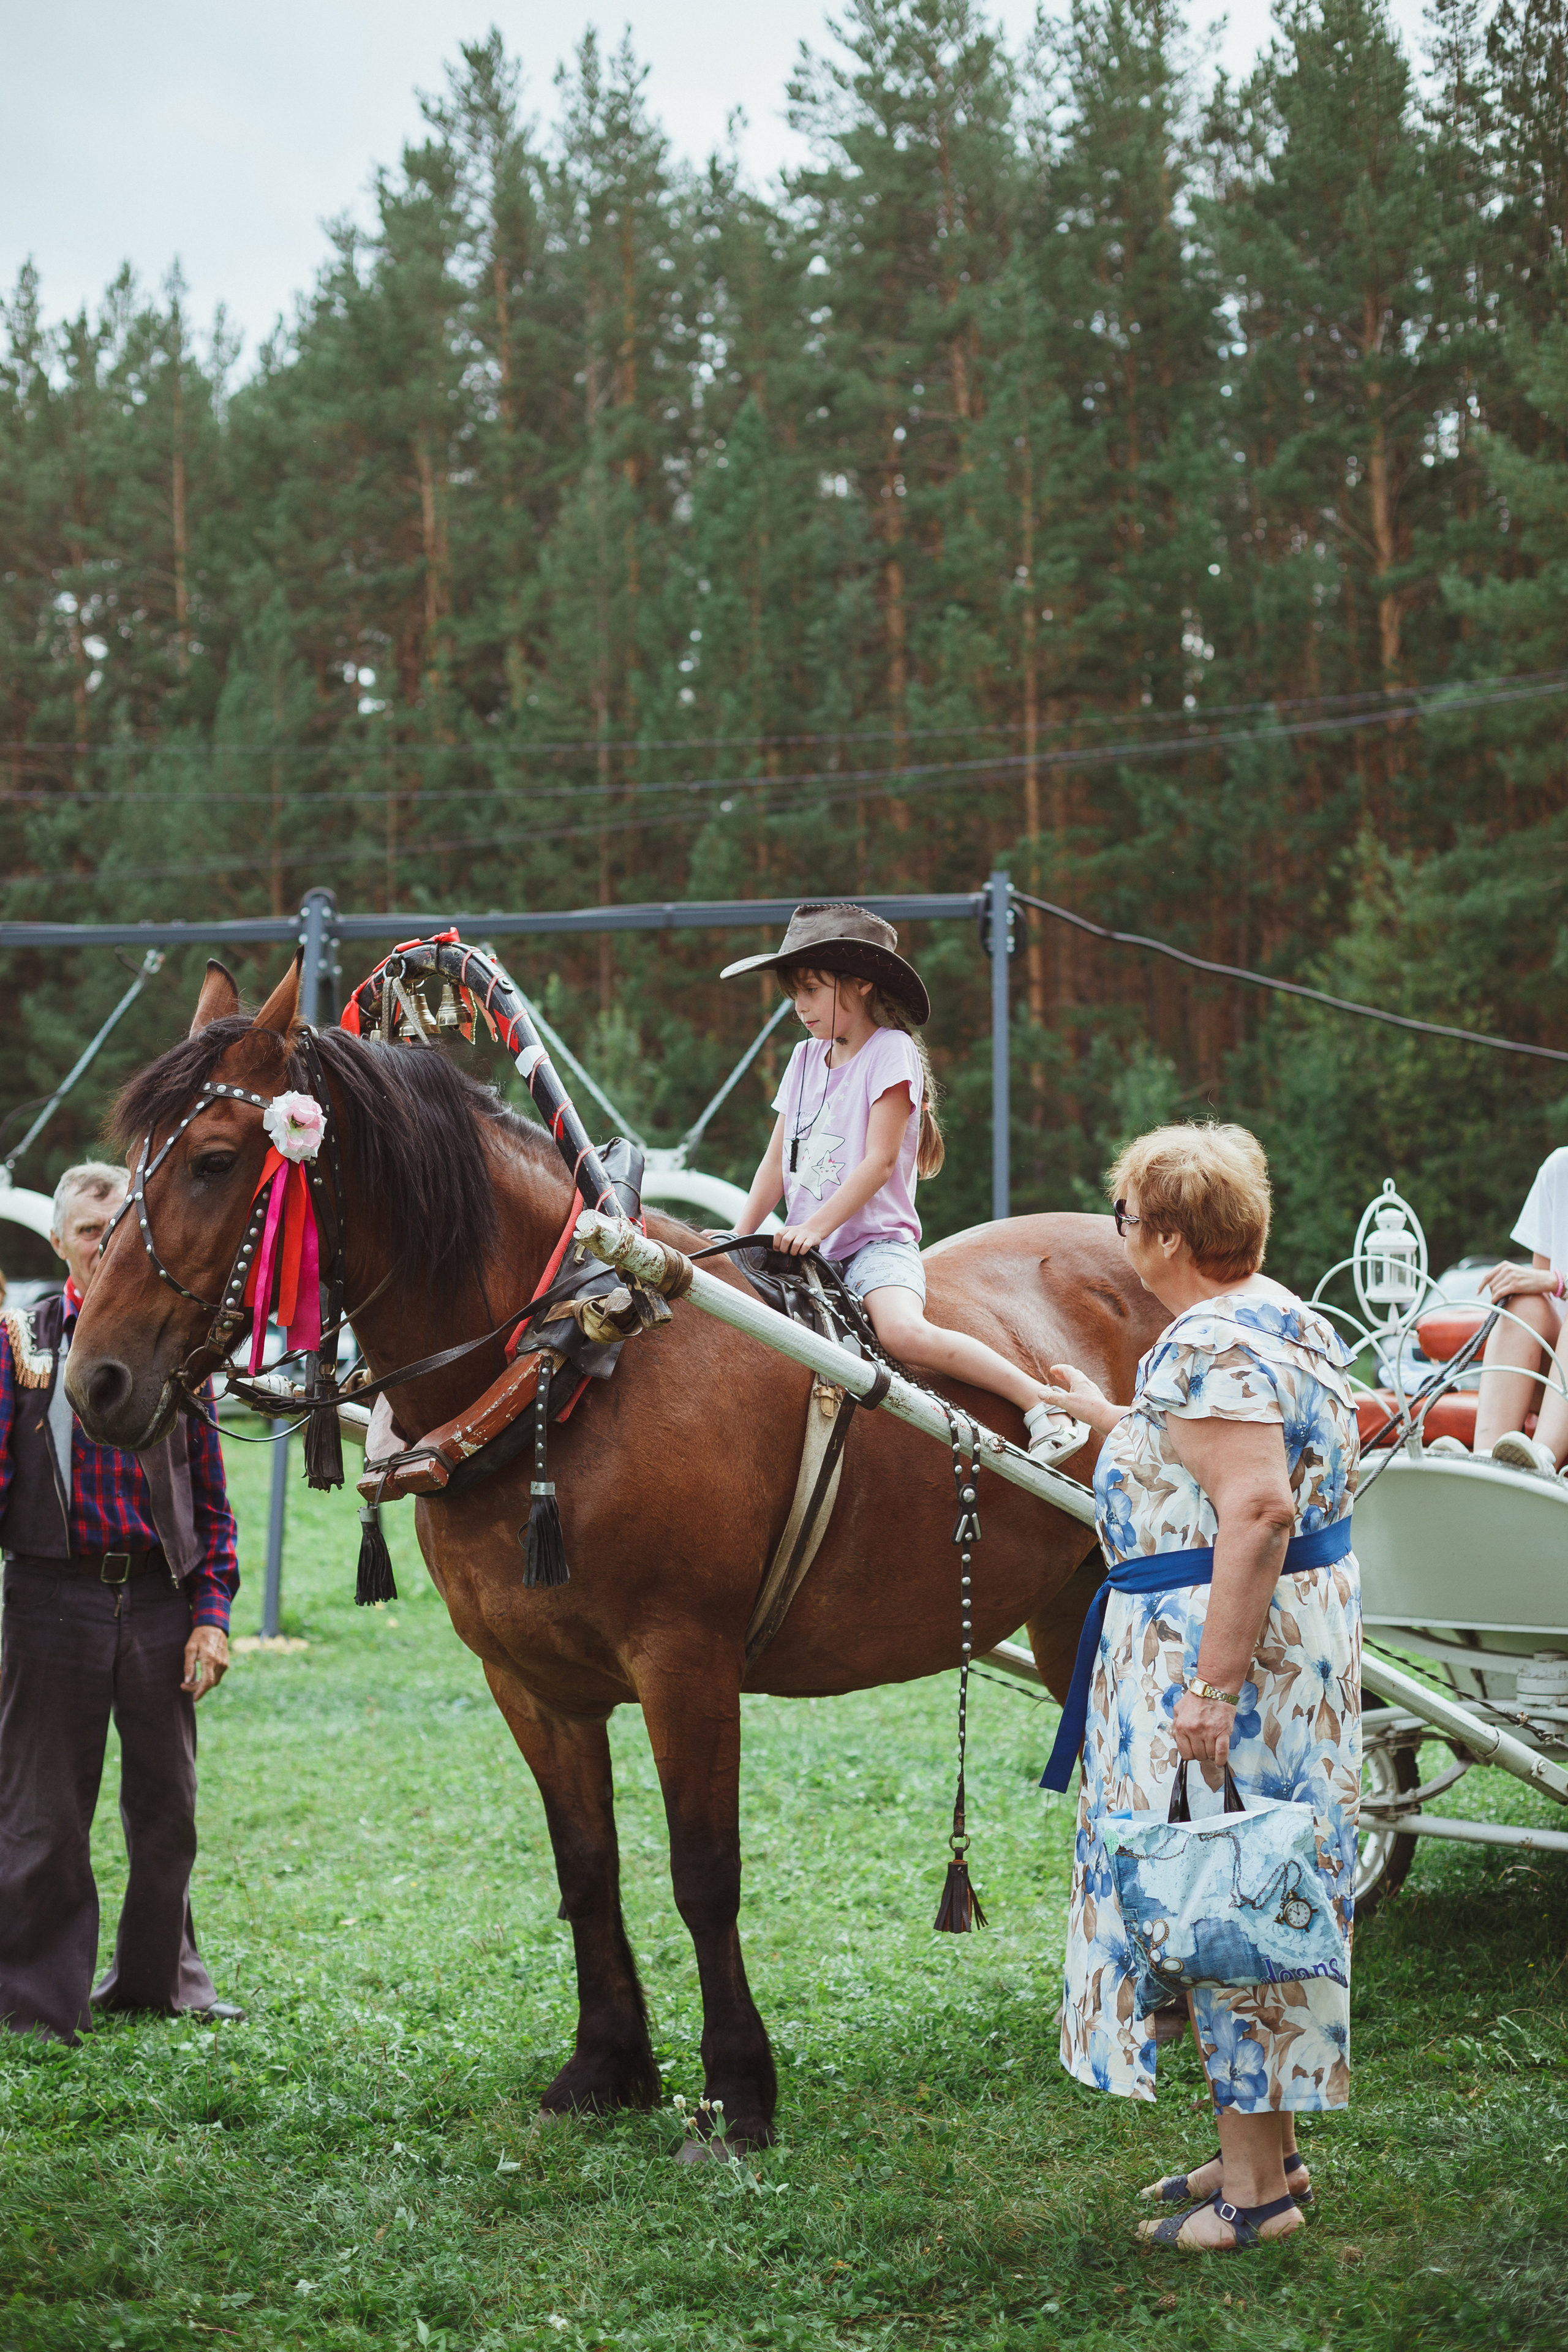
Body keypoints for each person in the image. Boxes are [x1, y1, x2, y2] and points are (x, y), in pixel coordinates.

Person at [1036, 1123, 1360, 2253]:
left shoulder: (1204, 1347)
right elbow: (1218, 1462)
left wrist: (1212, 1689)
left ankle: (1258, 2200)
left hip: (1230, 1663)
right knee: (1252, 1881)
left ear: (1167, 1235)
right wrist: (1109, 1422)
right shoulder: (1278, 1318)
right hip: (1282, 1651)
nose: (1123, 1236)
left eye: (1128, 1219)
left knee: (1222, 1892)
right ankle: (1259, 2149)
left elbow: (1258, 1507)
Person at [0, 1161, 243, 2041]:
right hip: (47, 1601)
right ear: (60, 1242)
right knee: (41, 1816)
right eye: (89, 1231)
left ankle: (161, 1984)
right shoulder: (19, 1343)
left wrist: (211, 1614)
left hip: (157, 1601)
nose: (105, 1244)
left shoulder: (177, 1341)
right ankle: (35, 2005)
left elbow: (211, 1499)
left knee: (167, 1812)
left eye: (119, 1228)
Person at [723, 901, 1077, 1459]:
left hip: (871, 1247)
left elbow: (879, 1162)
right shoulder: (802, 1059)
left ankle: (1042, 1403)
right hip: (809, 1247)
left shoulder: (892, 1052)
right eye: (795, 994)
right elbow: (775, 1164)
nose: (800, 1008)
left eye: (812, 990)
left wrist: (814, 1227)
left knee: (902, 1335)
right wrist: (735, 1240)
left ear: (859, 985)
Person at [1470, 1145, 1568, 1476]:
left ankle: (1543, 1461)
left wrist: (1558, 1281)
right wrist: (1548, 1283)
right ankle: (1485, 1457)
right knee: (1525, 1303)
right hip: (1557, 1377)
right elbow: (1540, 1293)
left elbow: (1548, 1280)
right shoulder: (1559, 1168)